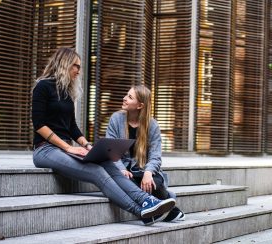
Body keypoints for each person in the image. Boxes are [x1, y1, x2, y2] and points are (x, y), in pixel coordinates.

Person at [32, 47, 175, 226]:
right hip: (45, 150)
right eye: (76, 66)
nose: (79, 70)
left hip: (65, 149)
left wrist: (87, 146)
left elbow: (72, 127)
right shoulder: (42, 87)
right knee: (97, 172)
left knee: (107, 162)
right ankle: (141, 211)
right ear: (64, 64)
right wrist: (68, 147)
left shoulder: (67, 93)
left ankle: (147, 200)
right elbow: (39, 125)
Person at [106, 85, 185, 224]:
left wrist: (148, 172)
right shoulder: (116, 119)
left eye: (129, 97)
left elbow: (155, 156)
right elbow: (111, 150)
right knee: (126, 182)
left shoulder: (152, 125)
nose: (124, 98)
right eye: (126, 94)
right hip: (124, 171)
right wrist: (121, 169)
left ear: (140, 105)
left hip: (142, 170)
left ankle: (157, 210)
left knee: (155, 182)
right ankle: (169, 210)